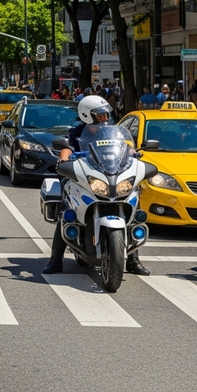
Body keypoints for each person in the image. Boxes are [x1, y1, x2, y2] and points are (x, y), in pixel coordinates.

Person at [42, 95, 149, 276]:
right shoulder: (77, 132)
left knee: (134, 209)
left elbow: (126, 147)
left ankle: (133, 260)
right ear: (86, 115)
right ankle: (55, 260)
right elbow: (67, 148)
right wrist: (63, 160)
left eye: (106, 115)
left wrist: (132, 154)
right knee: (66, 213)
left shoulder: (112, 132)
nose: (104, 119)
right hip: (85, 175)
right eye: (100, 116)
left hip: (109, 174)